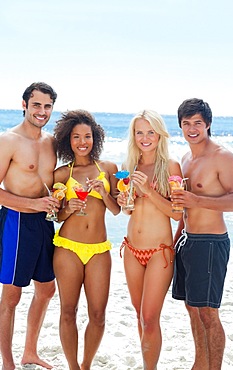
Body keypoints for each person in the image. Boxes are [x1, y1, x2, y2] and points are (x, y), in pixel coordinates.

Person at [171, 98, 233, 370]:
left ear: (208, 124)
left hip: (211, 243)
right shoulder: (186, 159)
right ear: (180, 125)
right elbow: (184, 207)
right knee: (192, 308)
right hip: (187, 241)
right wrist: (173, 241)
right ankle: (199, 365)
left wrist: (197, 200)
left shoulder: (222, 156)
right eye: (186, 123)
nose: (192, 129)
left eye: (197, 123)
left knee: (208, 313)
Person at [52, 109, 120, 370]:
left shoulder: (109, 168)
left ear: (96, 138)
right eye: (76, 137)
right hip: (67, 247)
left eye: (87, 136)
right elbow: (55, 216)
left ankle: (86, 365)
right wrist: (66, 208)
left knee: (98, 315)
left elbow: (116, 210)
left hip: (99, 249)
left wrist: (103, 193)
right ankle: (73, 367)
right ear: (68, 140)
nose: (82, 142)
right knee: (68, 311)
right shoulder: (61, 174)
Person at [0, 82, 60, 370]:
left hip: (44, 223)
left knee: (47, 289)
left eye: (47, 106)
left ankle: (30, 352)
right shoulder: (9, 140)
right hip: (16, 220)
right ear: (24, 104)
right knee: (12, 295)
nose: (42, 111)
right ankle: (8, 362)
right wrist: (33, 205)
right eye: (36, 105)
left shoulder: (51, 143)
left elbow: (54, 184)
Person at [117, 109, 183, 370]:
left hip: (160, 252)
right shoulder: (129, 167)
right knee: (139, 314)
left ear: (159, 134)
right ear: (134, 136)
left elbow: (177, 214)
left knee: (149, 316)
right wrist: (125, 203)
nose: (145, 137)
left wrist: (148, 190)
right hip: (132, 249)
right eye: (139, 132)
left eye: (150, 132)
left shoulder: (170, 166)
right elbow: (129, 210)